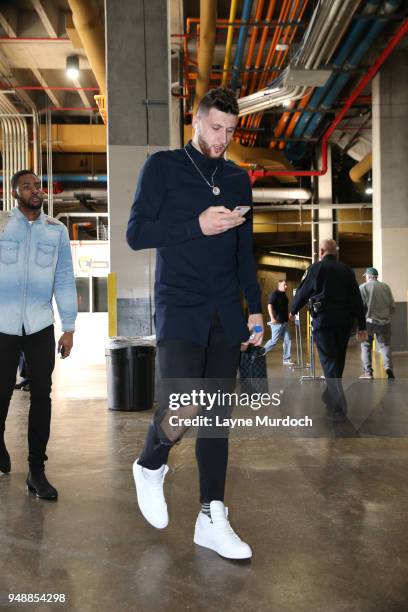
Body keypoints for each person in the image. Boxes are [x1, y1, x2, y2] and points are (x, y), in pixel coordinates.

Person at [126, 87, 263, 559]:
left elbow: (245, 252)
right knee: (184, 407)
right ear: (196, 120)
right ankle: (150, 464)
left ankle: (211, 515)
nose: (223, 138)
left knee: (218, 418)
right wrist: (196, 225)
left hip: (226, 309)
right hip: (180, 306)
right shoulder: (163, 167)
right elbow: (136, 233)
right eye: (215, 127)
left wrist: (255, 307)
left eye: (230, 130)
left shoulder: (238, 178)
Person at [0, 170, 77, 499]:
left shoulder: (55, 231)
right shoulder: (2, 226)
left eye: (38, 186)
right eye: (27, 186)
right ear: (14, 191)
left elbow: (63, 277)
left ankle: (37, 470)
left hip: (40, 326)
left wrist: (69, 326)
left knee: (41, 397)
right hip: (2, 325)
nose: (35, 190)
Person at [289, 239, 367, 421]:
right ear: (336, 252)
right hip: (344, 323)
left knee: (330, 362)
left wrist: (293, 311)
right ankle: (329, 396)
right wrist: (362, 326)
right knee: (337, 361)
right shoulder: (347, 270)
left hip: (323, 321)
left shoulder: (316, 268)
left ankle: (339, 407)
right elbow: (357, 299)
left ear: (321, 251)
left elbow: (303, 292)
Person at [359, 267, 395, 380]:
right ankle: (388, 368)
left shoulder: (363, 287)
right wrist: (386, 316)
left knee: (365, 346)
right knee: (385, 346)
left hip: (368, 323)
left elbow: (360, 307)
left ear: (369, 277)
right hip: (384, 323)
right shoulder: (386, 287)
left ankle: (368, 372)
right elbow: (392, 307)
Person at [263, 279, 292, 364]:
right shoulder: (274, 294)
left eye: (286, 285)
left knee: (288, 339)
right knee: (273, 341)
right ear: (279, 285)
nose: (286, 286)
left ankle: (286, 359)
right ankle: (259, 353)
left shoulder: (284, 295)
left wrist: (289, 316)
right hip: (277, 323)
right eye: (284, 285)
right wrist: (272, 318)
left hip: (284, 322)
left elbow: (284, 308)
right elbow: (269, 306)